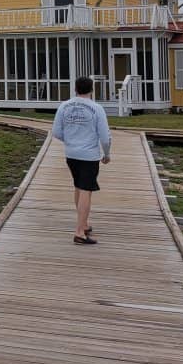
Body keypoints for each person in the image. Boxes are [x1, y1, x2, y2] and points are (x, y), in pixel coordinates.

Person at [51, 76, 111, 245]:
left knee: (79, 187)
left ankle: (83, 224)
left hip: (71, 154)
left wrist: (71, 141)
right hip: (89, 155)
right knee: (86, 190)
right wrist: (106, 154)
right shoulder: (96, 108)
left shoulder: (64, 106)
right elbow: (105, 137)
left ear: (75, 89)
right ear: (92, 90)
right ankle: (79, 232)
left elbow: (56, 131)